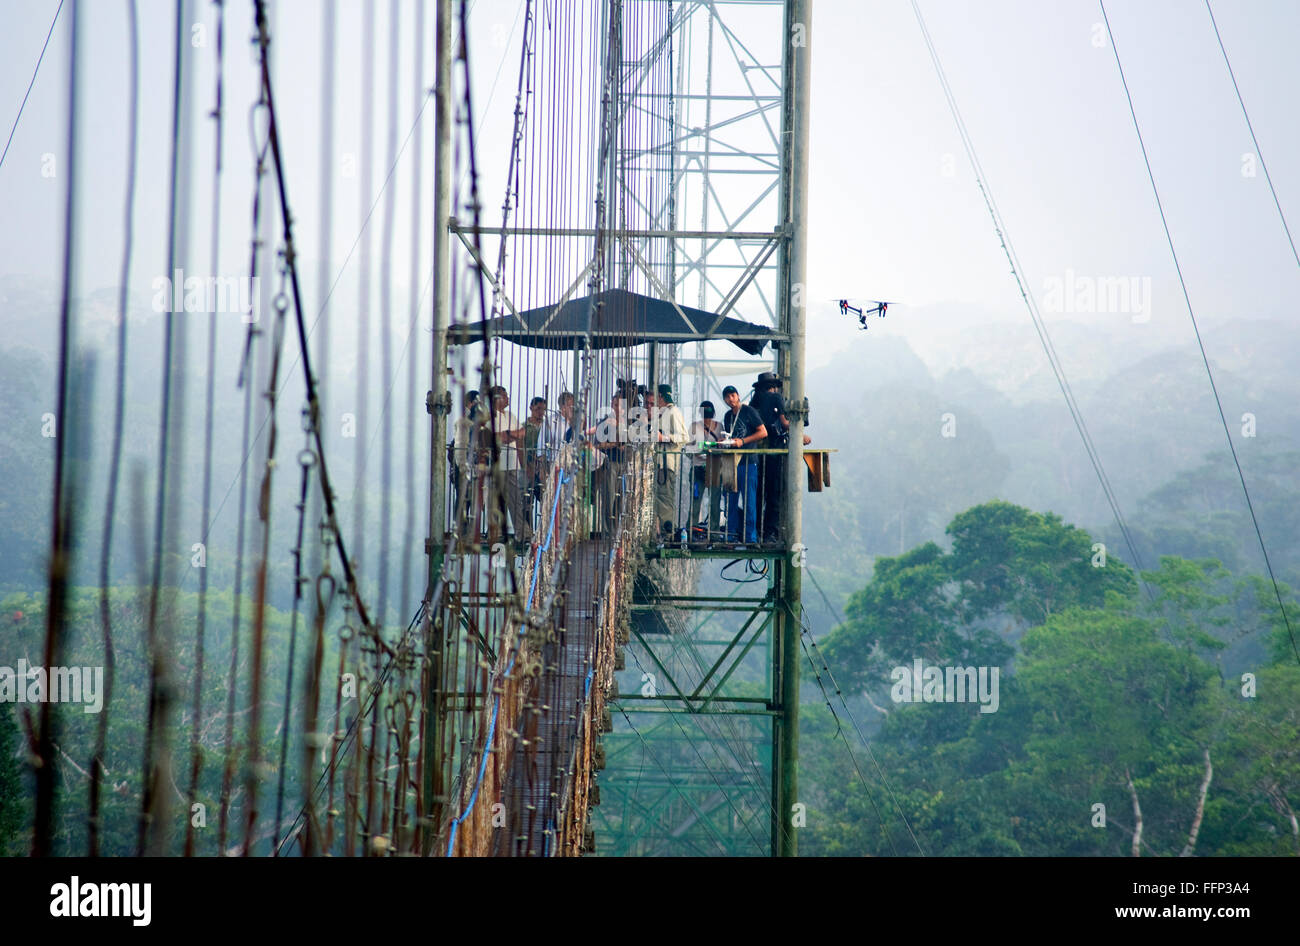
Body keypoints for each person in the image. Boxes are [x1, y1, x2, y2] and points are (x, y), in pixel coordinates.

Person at [719, 385, 767, 543]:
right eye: (727, 397)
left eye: (732, 395)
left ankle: (750, 537)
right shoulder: (727, 416)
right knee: (730, 501)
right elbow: (730, 436)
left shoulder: (749, 411)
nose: (730, 399)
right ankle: (731, 535)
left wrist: (743, 441)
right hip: (731, 462)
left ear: (738, 396)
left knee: (749, 502)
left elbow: (763, 432)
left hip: (748, 462)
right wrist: (724, 443)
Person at [488, 385, 532, 547]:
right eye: (505, 396)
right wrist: (510, 435)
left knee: (516, 501)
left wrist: (508, 435)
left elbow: (521, 433)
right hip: (497, 466)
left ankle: (522, 534)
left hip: (512, 463)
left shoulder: (511, 416)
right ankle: (497, 534)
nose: (508, 399)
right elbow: (498, 438)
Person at [652, 383, 689, 536]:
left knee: (665, 497)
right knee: (661, 497)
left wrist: (663, 438)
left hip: (668, 463)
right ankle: (664, 530)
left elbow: (684, 437)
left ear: (660, 396)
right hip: (661, 462)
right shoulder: (663, 413)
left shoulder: (673, 412)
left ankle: (668, 532)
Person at [688, 400, 724, 537]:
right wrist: (697, 450)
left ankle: (714, 532)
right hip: (698, 468)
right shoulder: (694, 427)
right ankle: (693, 529)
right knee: (695, 501)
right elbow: (687, 448)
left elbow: (724, 445)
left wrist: (719, 445)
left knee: (715, 503)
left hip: (714, 468)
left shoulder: (720, 426)